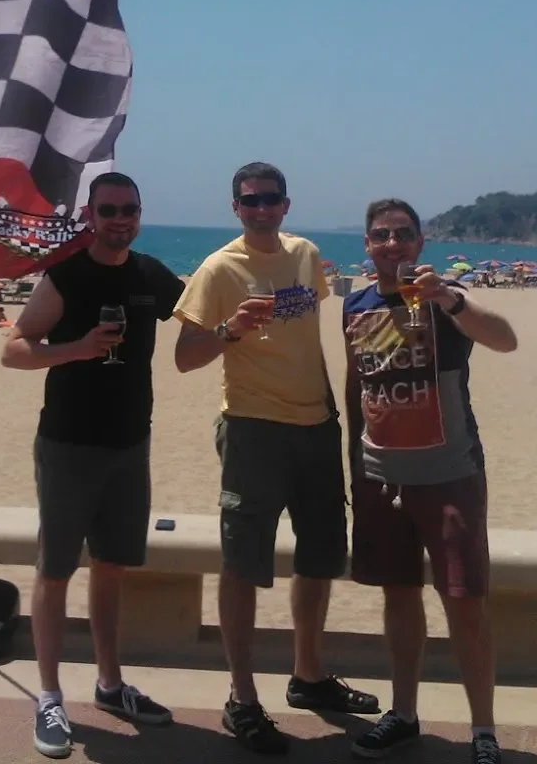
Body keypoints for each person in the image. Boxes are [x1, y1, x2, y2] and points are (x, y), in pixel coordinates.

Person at [172, 162, 377, 755]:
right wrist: (230, 331)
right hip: (253, 429)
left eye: (271, 199)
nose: (261, 208)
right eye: (250, 200)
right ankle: (242, 698)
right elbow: (185, 357)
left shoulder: (306, 256)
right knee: (242, 563)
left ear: (286, 205)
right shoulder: (218, 268)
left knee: (319, 558)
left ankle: (308, 676)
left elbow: (314, 330)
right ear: (235, 207)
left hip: (316, 427)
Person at [1, 172, 185, 758]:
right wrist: (76, 349)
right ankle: (50, 696)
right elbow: (13, 349)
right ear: (89, 214)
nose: (119, 218)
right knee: (55, 571)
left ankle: (109, 685)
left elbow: (200, 315)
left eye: (129, 208)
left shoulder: (150, 275)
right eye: (108, 209)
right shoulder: (67, 275)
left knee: (111, 568)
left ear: (139, 212)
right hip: (68, 445)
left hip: (131, 445)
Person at [343, 199, 518, 763]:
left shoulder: (447, 303)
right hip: (382, 479)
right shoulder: (355, 304)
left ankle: (484, 731)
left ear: (419, 243)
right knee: (399, 597)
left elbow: (505, 338)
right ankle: (403, 713)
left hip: (450, 476)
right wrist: (357, 470)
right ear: (367, 245)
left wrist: (448, 297)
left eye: (402, 234)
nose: (391, 243)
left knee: (465, 601)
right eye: (380, 235)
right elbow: (357, 390)